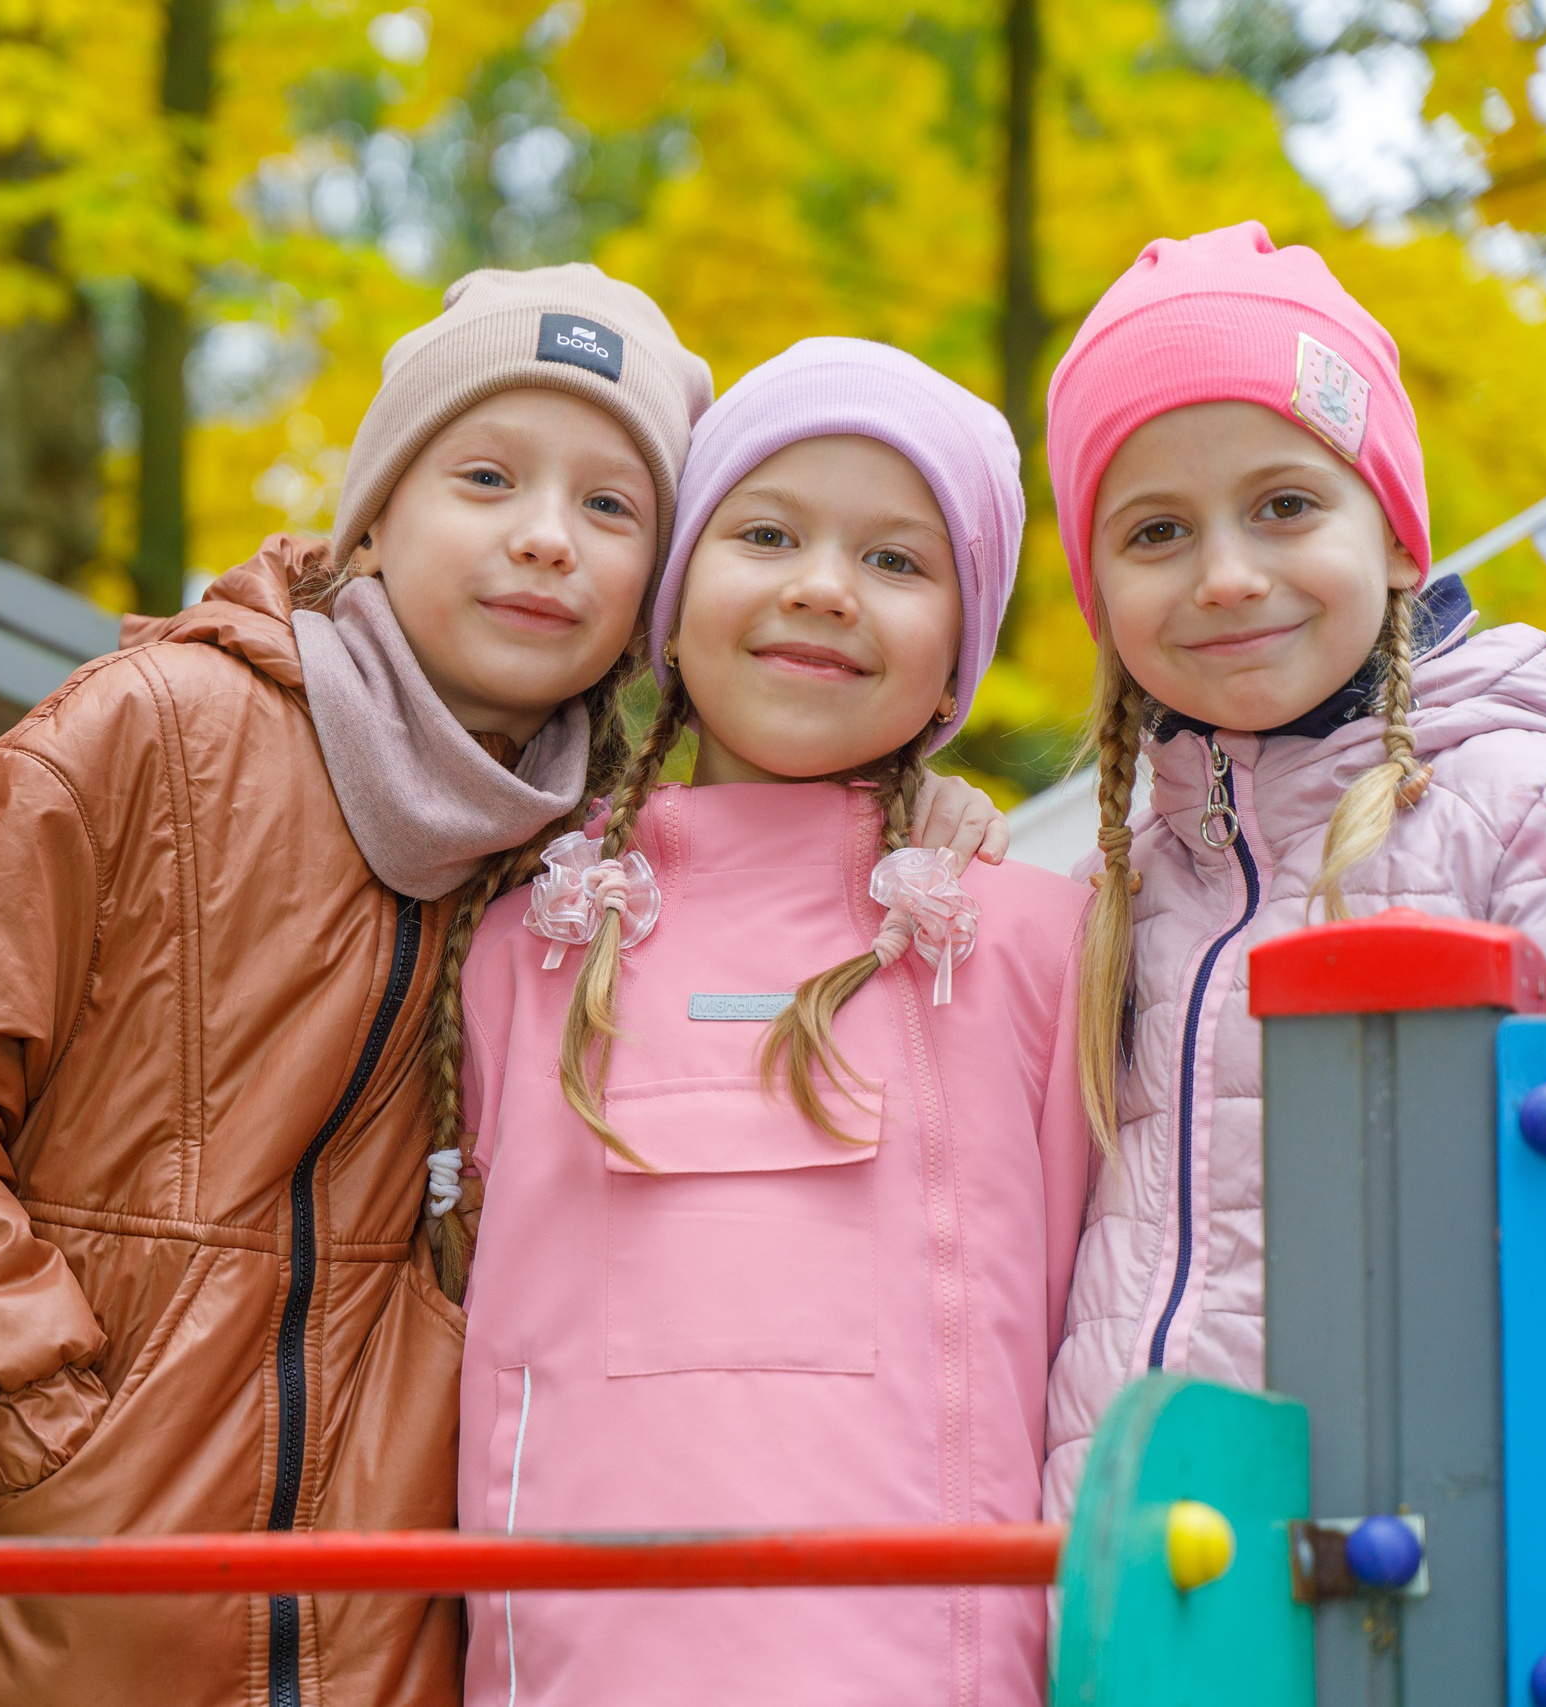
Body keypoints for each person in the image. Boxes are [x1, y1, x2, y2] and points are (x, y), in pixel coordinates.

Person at [0, 270, 1009, 1707]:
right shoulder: (153, 732)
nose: (545, 538)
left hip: (355, 1638)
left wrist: (924, 814)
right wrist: (29, 1414)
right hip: (46, 1596)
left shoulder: (580, 870)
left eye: (612, 507)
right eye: (487, 476)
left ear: (655, 595)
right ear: (374, 513)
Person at [445, 339, 1087, 1707]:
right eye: (767, 532)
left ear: (957, 663)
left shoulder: (1033, 943)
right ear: (669, 609)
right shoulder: (523, 941)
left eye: (897, 561)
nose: (818, 585)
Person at [1040, 223, 1546, 1514]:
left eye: (1285, 504)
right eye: (1156, 529)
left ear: (1396, 534)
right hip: (1143, 1580)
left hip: (1429, 1571)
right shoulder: (1120, 886)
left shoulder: (1531, 812)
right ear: (1098, 588)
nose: (1228, 574)